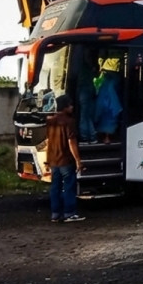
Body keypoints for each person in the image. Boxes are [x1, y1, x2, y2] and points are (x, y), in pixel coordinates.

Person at [45, 94, 85, 223]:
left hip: (53, 159)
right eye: (70, 105)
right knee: (69, 186)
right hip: (66, 160)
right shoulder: (69, 121)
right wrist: (78, 160)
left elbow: (48, 142)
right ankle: (69, 213)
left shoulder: (50, 121)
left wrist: (47, 159)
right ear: (66, 107)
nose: (72, 107)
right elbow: (71, 142)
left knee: (55, 187)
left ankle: (55, 214)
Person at [77, 50, 98, 143]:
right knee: (88, 116)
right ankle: (92, 136)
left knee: (83, 116)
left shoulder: (81, 68)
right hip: (90, 92)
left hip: (84, 93)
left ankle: (84, 137)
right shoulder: (90, 67)